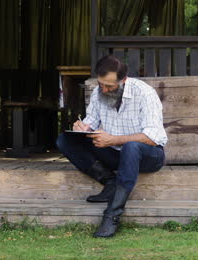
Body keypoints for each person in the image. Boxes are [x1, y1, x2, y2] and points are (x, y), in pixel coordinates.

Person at [56, 55, 168, 238]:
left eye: (109, 86)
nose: (104, 89)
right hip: (115, 153)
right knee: (64, 140)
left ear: (124, 80)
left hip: (148, 155)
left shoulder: (144, 93)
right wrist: (82, 127)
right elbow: (90, 123)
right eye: (101, 84)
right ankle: (110, 182)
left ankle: (112, 215)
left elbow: (153, 137)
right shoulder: (98, 92)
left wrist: (114, 140)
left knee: (132, 146)